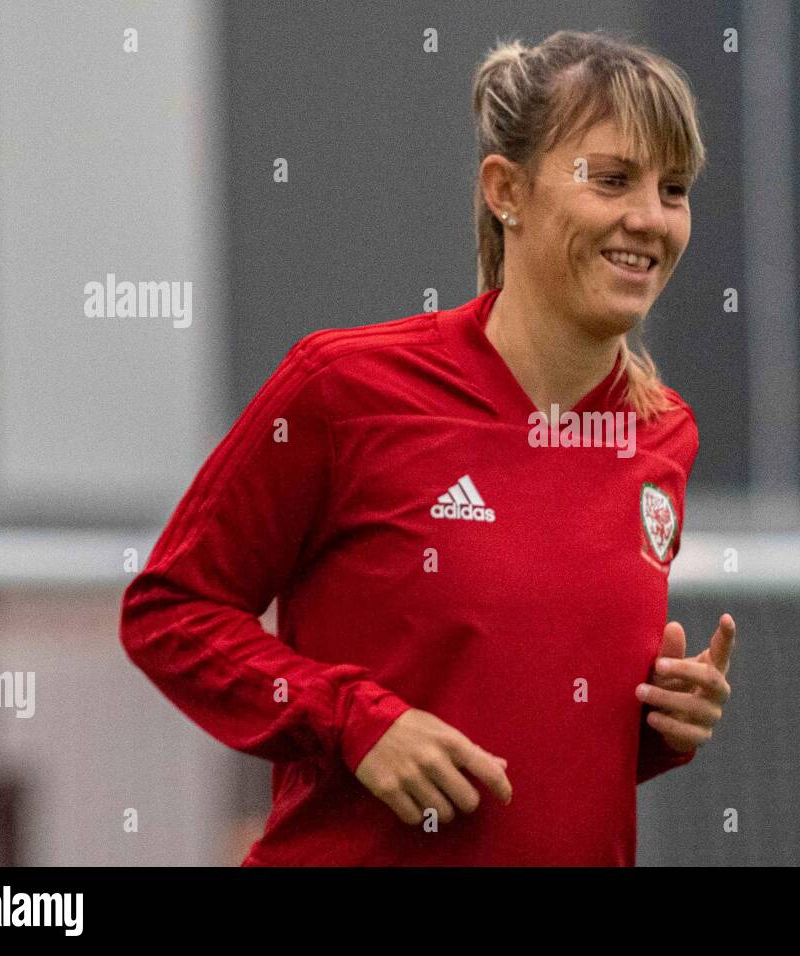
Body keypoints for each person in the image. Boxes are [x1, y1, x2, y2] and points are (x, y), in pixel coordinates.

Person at [120, 28, 735, 866]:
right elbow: (170, 614)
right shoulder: (343, 388)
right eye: (613, 179)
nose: (649, 219)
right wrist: (351, 720)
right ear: (505, 190)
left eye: (674, 189)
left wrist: (661, 726)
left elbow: (525, 715)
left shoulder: (663, 431)